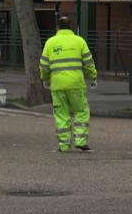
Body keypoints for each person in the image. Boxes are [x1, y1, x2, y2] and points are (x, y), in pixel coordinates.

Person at [40, 15, 97, 153]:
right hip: (76, 84)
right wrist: (93, 76)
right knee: (81, 112)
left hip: (58, 85)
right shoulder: (79, 41)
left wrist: (45, 79)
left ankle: (64, 145)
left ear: (57, 27)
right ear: (70, 26)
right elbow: (88, 63)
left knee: (61, 114)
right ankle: (81, 141)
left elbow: (44, 66)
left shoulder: (50, 42)